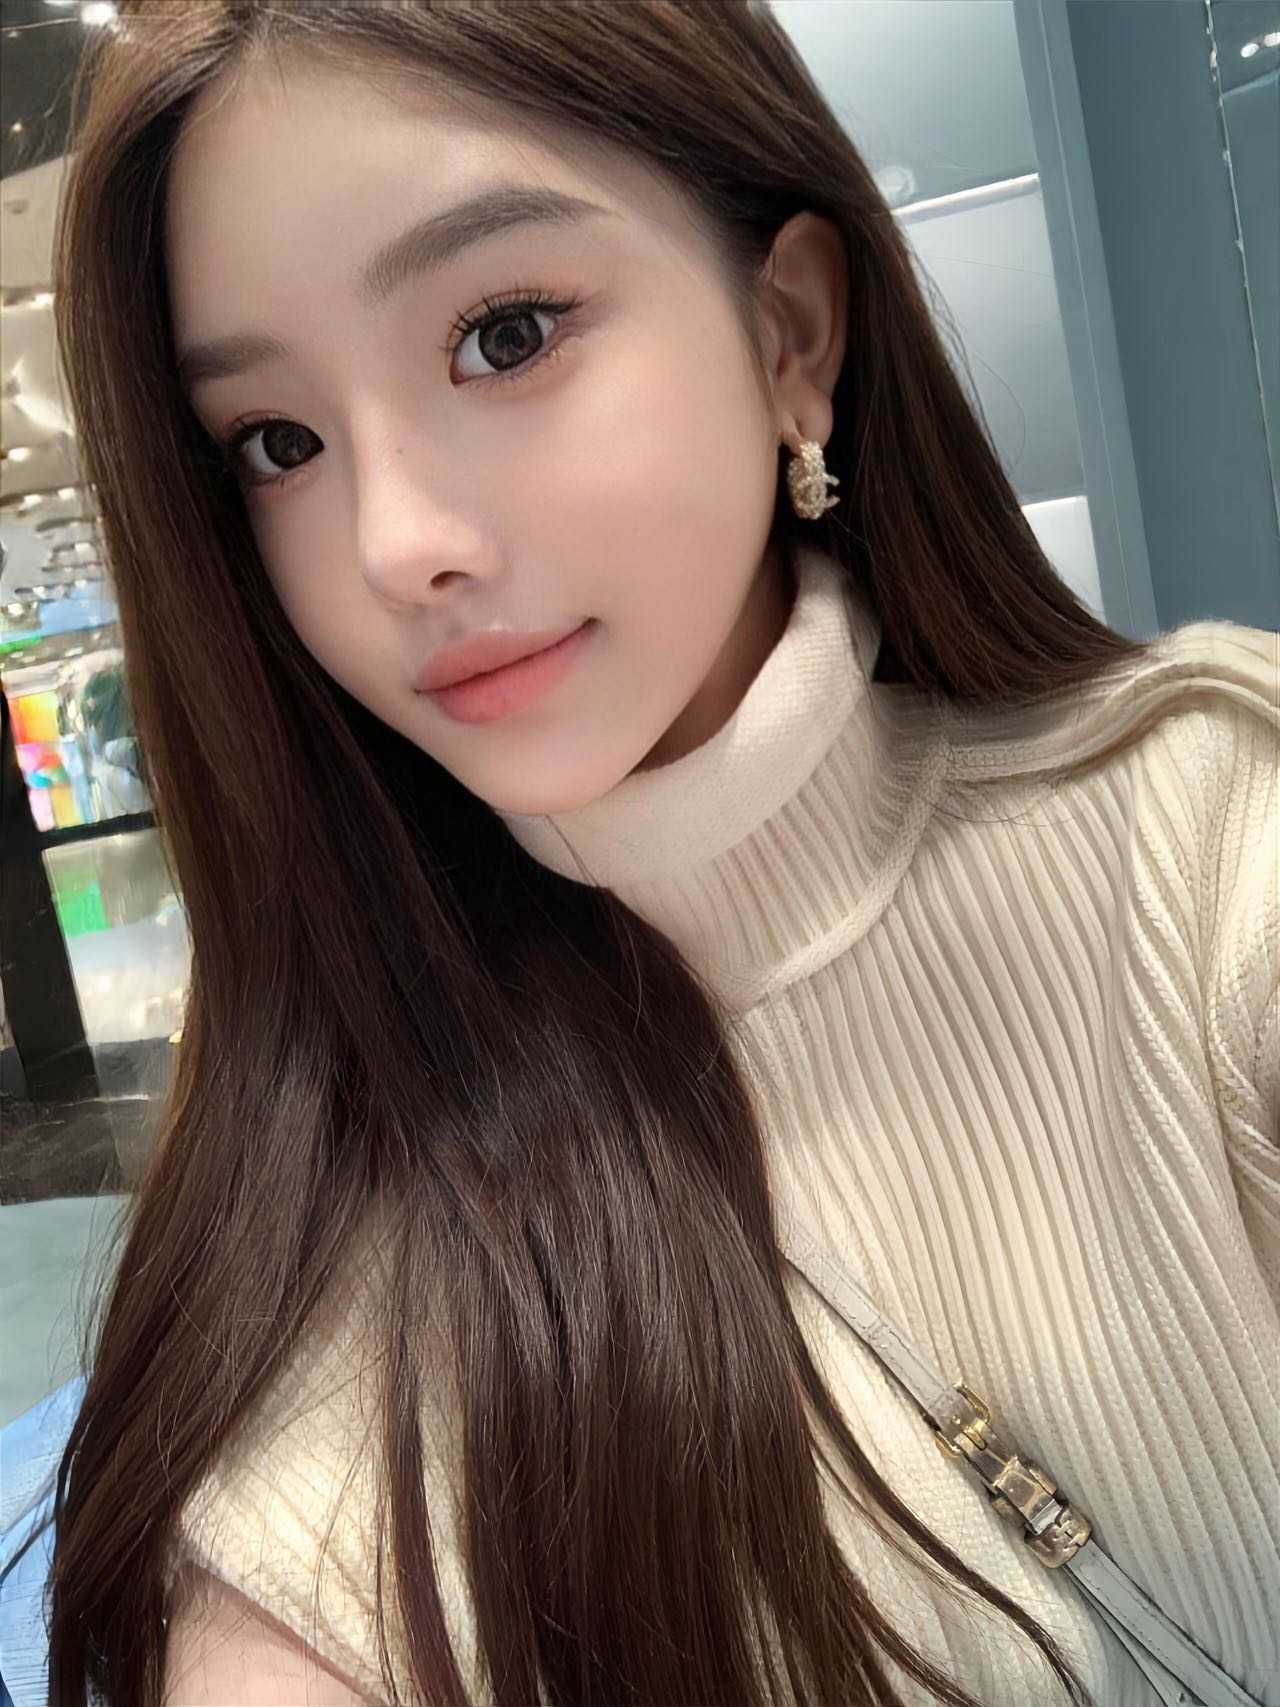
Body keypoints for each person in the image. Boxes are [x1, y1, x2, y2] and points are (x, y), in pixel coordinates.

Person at [13, 2, 1275, 1704]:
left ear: (789, 331)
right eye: (278, 444)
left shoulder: (1210, 848)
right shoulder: (342, 1198)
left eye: (505, 333)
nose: (395, 545)